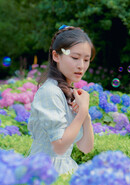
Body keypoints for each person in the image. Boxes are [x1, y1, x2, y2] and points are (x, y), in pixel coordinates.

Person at [28, 25, 95, 175]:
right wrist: (82, 110)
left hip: (64, 168)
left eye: (86, 60)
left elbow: (85, 148)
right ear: (56, 56)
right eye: (75, 58)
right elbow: (59, 147)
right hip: (45, 171)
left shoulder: (68, 92)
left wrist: (85, 116)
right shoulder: (50, 92)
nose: (81, 66)